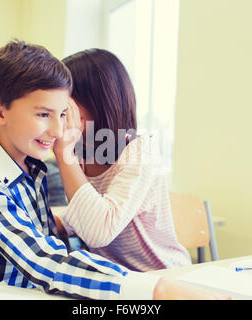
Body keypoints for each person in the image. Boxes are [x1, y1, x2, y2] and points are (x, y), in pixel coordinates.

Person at [0, 39, 227, 300]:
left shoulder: (34, 170)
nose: (58, 128)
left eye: (64, 113)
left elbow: (58, 238)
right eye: (43, 114)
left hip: (146, 278)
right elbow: (45, 260)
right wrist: (154, 290)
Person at [52, 48, 191, 272]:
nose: (58, 113)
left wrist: (64, 154)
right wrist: (61, 223)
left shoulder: (140, 151)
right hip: (118, 281)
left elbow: (99, 230)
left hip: (162, 276)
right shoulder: (81, 152)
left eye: (65, 104)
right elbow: (87, 210)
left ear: (98, 101)